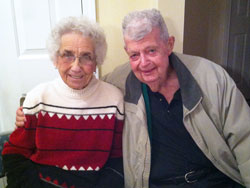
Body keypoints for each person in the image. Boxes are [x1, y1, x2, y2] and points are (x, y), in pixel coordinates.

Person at [15, 9, 250, 188]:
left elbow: (245, 139)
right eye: (134, 54)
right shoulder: (118, 83)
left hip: (215, 179)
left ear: (169, 45)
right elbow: (81, 91)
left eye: (151, 51)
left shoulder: (211, 78)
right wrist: (27, 110)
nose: (143, 63)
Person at [3, 16, 124, 188]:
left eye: (86, 57)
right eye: (67, 55)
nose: (76, 66)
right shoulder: (38, 98)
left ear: (97, 61)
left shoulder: (114, 100)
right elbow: (14, 153)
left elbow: (116, 161)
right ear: (55, 59)